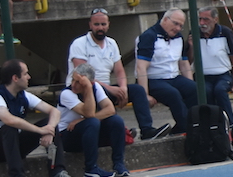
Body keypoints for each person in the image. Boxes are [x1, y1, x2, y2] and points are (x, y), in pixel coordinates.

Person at [0, 59, 79, 177]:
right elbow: (9, 120)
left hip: (13, 146)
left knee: (48, 122)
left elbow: (54, 111)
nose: (29, 77)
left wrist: (49, 129)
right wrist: (40, 130)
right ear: (15, 78)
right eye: (25, 74)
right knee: (10, 127)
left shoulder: (24, 96)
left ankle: (57, 173)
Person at [68, 8, 172, 141]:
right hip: (85, 90)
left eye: (103, 24)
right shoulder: (79, 44)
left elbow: (119, 70)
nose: (100, 28)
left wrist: (123, 89)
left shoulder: (111, 43)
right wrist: (111, 89)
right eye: (96, 24)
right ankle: (120, 132)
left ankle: (147, 131)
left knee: (137, 90)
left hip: (105, 89)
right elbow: (82, 76)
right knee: (98, 92)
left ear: (108, 25)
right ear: (90, 25)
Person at [59, 63, 128, 177]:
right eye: (73, 80)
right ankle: (91, 170)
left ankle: (119, 164)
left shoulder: (96, 87)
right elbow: (89, 114)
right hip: (66, 136)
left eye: (78, 82)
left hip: (86, 132)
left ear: (90, 83)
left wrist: (81, 120)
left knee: (116, 121)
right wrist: (88, 89)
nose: (73, 84)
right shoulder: (66, 93)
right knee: (93, 122)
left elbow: (110, 109)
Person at [135, 9, 197, 135]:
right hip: (153, 78)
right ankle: (187, 128)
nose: (178, 28)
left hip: (173, 76)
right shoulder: (149, 36)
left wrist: (189, 85)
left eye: (180, 25)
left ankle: (189, 124)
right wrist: (145, 94)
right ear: (165, 20)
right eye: (175, 23)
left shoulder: (179, 37)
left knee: (195, 89)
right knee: (173, 94)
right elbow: (141, 67)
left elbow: (184, 63)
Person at [197, 7, 233, 125]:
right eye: (200, 19)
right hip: (203, 76)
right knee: (206, 91)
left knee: (220, 90)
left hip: (223, 74)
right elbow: (188, 59)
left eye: (206, 19)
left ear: (215, 19)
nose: (202, 23)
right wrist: (191, 46)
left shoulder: (225, 32)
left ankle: (231, 123)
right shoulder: (195, 33)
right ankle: (212, 124)